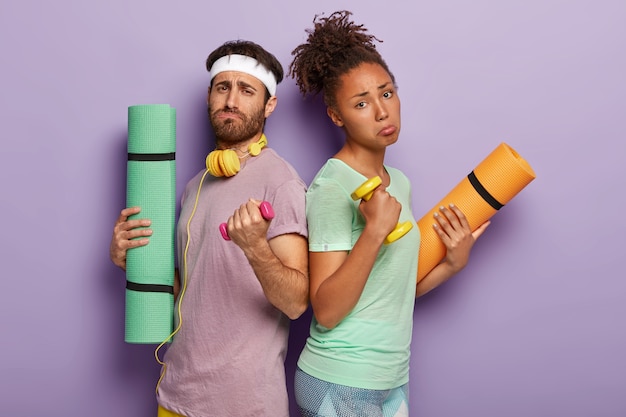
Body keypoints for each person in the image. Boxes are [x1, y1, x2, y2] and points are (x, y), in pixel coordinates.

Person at [288, 11, 490, 417]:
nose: (382, 111)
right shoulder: (332, 187)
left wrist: (453, 264)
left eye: (386, 93)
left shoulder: (398, 181)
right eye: (361, 103)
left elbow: (389, 293)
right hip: (340, 377)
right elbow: (326, 309)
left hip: (392, 378)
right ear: (336, 115)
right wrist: (374, 232)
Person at [110, 40, 309, 417]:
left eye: (246, 90)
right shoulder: (195, 185)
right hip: (175, 397)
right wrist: (131, 262)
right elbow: (190, 292)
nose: (231, 100)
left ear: (269, 105)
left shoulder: (281, 183)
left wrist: (254, 247)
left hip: (242, 405)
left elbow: (297, 302)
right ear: (209, 96)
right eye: (223, 87)